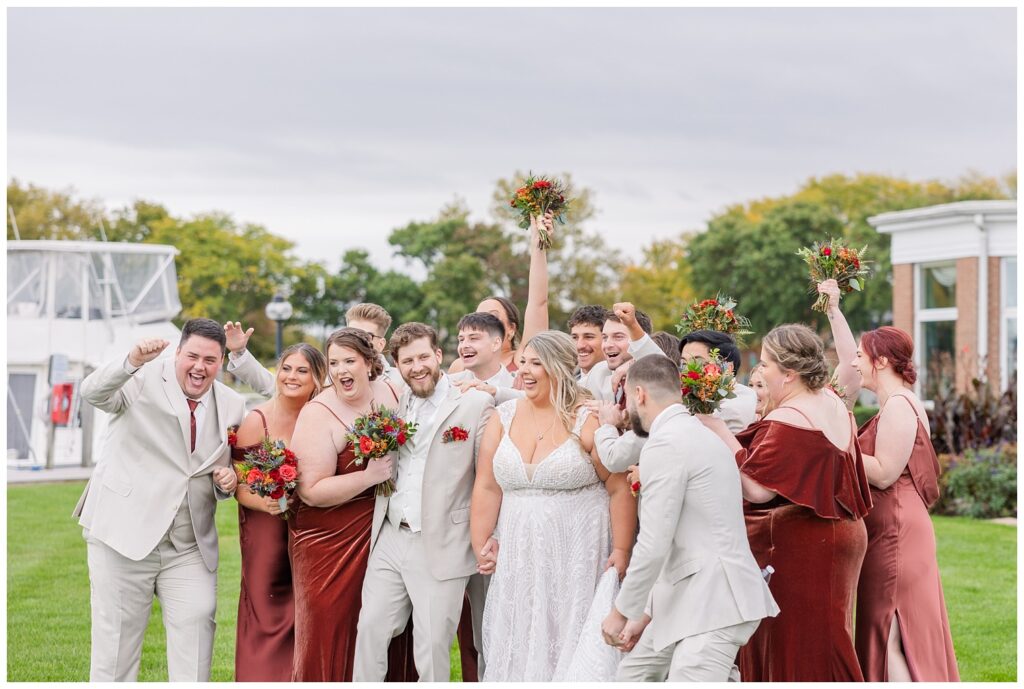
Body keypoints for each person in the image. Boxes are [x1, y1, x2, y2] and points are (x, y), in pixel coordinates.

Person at [73, 318, 245, 681]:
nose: (200, 367)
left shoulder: (232, 404)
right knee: (116, 648)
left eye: (210, 360)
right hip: (122, 533)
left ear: (220, 362)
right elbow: (93, 393)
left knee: (198, 631)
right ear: (179, 351)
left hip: (189, 545)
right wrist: (132, 359)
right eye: (193, 356)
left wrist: (227, 483)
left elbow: (219, 472)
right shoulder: (140, 377)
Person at [698, 324, 872, 681]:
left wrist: (717, 430)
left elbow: (757, 490)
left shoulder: (788, 420)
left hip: (806, 545)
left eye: (765, 364)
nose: (759, 371)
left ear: (789, 374)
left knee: (796, 642)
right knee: (828, 636)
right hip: (844, 533)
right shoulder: (831, 401)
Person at [470, 330, 637, 681]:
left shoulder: (586, 418)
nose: (525, 371)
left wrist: (622, 549)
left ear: (559, 368)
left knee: (570, 638)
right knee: (522, 637)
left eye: (536, 363)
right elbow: (487, 485)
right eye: (524, 362)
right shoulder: (503, 416)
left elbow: (618, 486)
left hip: (577, 554)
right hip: (519, 554)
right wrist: (481, 540)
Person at [601, 355, 778, 681]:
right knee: (633, 678)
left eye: (628, 398)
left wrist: (620, 612)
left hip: (715, 599)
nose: (628, 410)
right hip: (688, 596)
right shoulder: (695, 434)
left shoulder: (667, 443)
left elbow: (654, 541)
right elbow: (683, 539)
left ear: (639, 394)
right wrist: (643, 615)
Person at [821, 280, 959, 681]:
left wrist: (836, 448)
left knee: (892, 629)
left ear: (881, 361)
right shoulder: (892, 400)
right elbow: (847, 360)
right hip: (890, 531)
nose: (856, 365)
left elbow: (883, 471)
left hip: (898, 533)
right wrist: (833, 309)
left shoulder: (900, 405)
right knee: (886, 625)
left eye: (864, 358)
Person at [353, 323, 495, 681]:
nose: (416, 367)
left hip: (443, 540)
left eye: (422, 357)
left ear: (438, 355)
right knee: (369, 629)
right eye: (407, 361)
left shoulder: (475, 402)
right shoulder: (391, 404)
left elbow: (489, 480)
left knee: (431, 646)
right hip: (391, 535)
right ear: (397, 366)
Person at [287, 328, 417, 681]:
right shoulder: (318, 413)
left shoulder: (391, 391)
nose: (341, 370)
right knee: (330, 628)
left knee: (386, 626)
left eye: (349, 361)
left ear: (369, 363)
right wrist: (367, 477)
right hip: (328, 541)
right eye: (333, 363)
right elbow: (310, 491)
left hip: (385, 534)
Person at [230, 343, 327, 682]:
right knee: (266, 611)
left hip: (314, 527)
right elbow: (240, 487)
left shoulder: (325, 416)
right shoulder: (257, 421)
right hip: (266, 529)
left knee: (309, 613)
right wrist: (267, 504)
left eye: (302, 370)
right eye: (287, 368)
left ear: (317, 378)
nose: (292, 376)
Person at [679, 329, 757, 431]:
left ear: (728, 368)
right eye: (684, 364)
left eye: (698, 363)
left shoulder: (730, 410)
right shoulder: (696, 399)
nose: (689, 373)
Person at [346, 302, 405, 391]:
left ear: (381, 344)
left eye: (365, 337)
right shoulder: (330, 380)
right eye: (351, 334)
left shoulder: (402, 381)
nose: (355, 341)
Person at [568, 305, 611, 381]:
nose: (579, 345)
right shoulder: (564, 384)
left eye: (588, 337)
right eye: (575, 337)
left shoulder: (623, 383)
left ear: (606, 339)